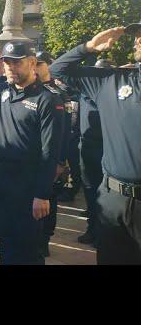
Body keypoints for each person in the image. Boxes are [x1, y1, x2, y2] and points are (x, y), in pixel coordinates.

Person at [0, 42, 64, 265]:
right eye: (7, 62)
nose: (11, 67)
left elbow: (49, 151)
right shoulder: (0, 91)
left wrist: (43, 194)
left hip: (28, 184)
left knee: (28, 247)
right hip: (0, 182)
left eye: (17, 62)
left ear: (32, 62)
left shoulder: (46, 99)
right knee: (4, 240)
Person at [49, 25, 141, 264]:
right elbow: (57, 69)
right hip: (113, 198)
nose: (138, 41)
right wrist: (88, 47)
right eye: (138, 37)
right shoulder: (112, 80)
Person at [35, 51, 74, 258]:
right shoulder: (32, 89)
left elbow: (65, 131)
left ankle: (45, 239)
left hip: (52, 157)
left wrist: (60, 160)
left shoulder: (59, 92)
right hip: (33, 158)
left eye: (40, 64)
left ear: (49, 65)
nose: (36, 67)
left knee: (48, 198)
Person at [76, 58, 113, 245]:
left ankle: (103, 234)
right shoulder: (84, 90)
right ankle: (92, 229)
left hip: (107, 147)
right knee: (90, 190)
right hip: (87, 146)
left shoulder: (111, 93)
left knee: (105, 192)